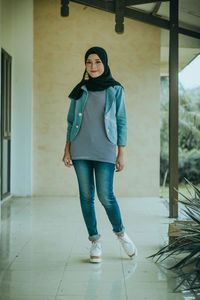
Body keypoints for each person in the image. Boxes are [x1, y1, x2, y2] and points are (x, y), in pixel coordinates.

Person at [63, 46, 137, 263]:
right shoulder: (80, 90)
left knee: (106, 196)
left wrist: (121, 152)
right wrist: (66, 148)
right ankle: (95, 242)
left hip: (105, 148)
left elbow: (122, 120)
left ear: (105, 63)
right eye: (89, 62)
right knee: (86, 197)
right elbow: (70, 122)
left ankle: (121, 234)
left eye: (97, 61)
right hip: (80, 150)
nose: (93, 66)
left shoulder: (115, 89)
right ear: (85, 65)